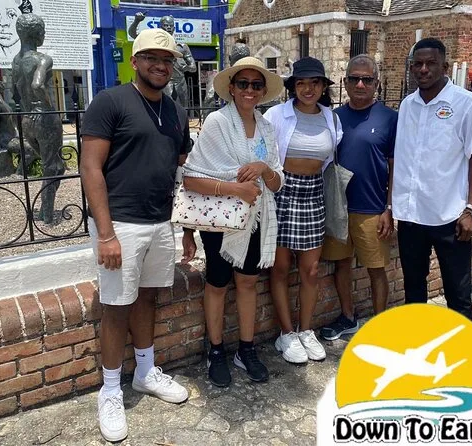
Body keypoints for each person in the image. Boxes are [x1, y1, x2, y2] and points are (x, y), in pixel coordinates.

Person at [80, 28, 196, 442]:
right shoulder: (110, 102)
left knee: (147, 297)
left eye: (166, 60)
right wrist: (106, 234)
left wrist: (186, 228)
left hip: (160, 221)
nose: (160, 66)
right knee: (116, 306)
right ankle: (110, 389)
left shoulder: (176, 111)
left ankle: (145, 372)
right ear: (135, 61)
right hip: (121, 223)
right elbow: (91, 168)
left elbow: (180, 169)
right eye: (151, 58)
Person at [182, 57, 284, 387]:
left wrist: (264, 169)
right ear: (232, 88)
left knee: (248, 282)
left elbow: (277, 181)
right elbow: (191, 178)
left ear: (263, 90)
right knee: (217, 282)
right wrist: (237, 188)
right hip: (221, 217)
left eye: (256, 85)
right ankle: (215, 350)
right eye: (243, 84)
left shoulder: (267, 127)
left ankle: (246, 348)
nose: (249, 90)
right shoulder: (217, 122)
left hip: (256, 216)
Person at [392, 37, 472, 322]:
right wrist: (391, 206)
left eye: (431, 63)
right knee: (413, 291)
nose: (424, 69)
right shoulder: (407, 105)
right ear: (411, 68)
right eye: (418, 64)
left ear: (445, 67)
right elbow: (401, 158)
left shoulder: (466, 103)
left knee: (458, 294)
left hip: (450, 218)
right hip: (411, 217)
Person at [264, 57, 342, 363]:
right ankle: (286, 333)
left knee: (310, 269)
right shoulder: (276, 115)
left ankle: (306, 330)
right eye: (301, 83)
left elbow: (330, 160)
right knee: (281, 267)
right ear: (293, 87)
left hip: (313, 193)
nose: (308, 89)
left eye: (314, 83)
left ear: (323, 86)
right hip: (282, 192)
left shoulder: (331, 119)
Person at [319, 54, 398, 341]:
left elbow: (396, 166)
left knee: (376, 269)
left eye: (367, 79)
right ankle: (348, 317)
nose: (360, 84)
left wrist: (389, 207)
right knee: (341, 264)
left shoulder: (390, 118)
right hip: (338, 206)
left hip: (372, 208)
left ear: (376, 83)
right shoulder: (333, 118)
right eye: (354, 79)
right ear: (345, 82)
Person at [12, 13, 64, 224]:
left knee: (52, 164)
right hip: (44, 117)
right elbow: (37, 84)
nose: (44, 35)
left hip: (27, 119)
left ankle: (44, 209)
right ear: (36, 34)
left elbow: (16, 92)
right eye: (42, 31)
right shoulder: (43, 59)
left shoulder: (16, 61)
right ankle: (47, 214)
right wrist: (49, 107)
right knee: (53, 167)